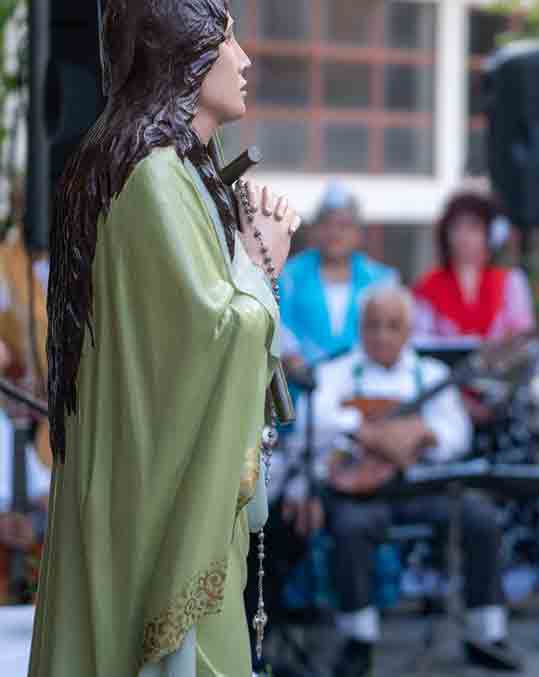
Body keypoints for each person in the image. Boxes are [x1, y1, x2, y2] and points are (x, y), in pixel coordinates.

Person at [31, 2, 300, 674]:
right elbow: (212, 335)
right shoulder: (151, 175)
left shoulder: (166, 169)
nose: (244, 62)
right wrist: (261, 257)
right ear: (181, 55)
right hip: (154, 498)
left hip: (140, 477)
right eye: (227, 43)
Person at [317, 284, 521, 674]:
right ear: (360, 328)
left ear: (409, 331)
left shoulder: (431, 374)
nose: (381, 334)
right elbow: (320, 418)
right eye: (373, 325)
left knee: (479, 517)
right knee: (349, 526)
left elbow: (457, 435)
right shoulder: (337, 372)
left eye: (393, 326)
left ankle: (487, 632)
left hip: (419, 487)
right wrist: (365, 431)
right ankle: (359, 639)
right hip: (362, 493)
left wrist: (424, 436)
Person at [278, 182, 396, 364]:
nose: (334, 233)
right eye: (327, 224)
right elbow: (280, 328)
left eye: (344, 225)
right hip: (303, 386)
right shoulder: (288, 276)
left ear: (358, 234)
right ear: (314, 230)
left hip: (361, 385)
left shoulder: (382, 280)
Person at [412, 191, 534, 344]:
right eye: (456, 227)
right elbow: (421, 339)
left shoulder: (510, 282)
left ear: (490, 235)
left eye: (473, 228)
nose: (463, 236)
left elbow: (521, 336)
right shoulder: (428, 285)